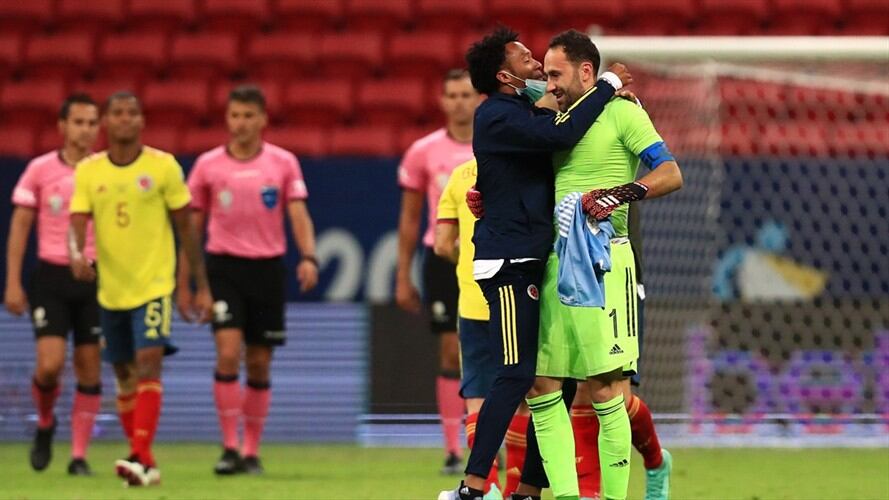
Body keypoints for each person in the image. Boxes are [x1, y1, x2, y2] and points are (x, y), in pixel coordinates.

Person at [440, 26, 630, 500]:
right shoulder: (498, 116)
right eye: (526, 57)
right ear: (506, 74)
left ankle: (527, 489)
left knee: (555, 377)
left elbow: (528, 155)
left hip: (539, 259)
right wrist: (606, 85)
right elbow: (558, 132)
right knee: (518, 374)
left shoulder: (518, 108)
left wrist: (492, 194)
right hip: (509, 265)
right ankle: (471, 486)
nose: (536, 64)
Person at [524, 30, 683, 500]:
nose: (549, 83)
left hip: (605, 258)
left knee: (605, 386)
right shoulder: (547, 115)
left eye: (557, 74)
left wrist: (621, 193)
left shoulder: (622, 112)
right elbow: (513, 93)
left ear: (586, 71)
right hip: (554, 257)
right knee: (542, 382)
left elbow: (670, 172)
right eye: (546, 74)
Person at [69, 91, 212, 487]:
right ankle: (145, 465)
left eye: (133, 113)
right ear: (105, 123)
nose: (125, 119)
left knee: (149, 362)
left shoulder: (163, 167)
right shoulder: (89, 171)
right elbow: (78, 222)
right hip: (111, 290)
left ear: (142, 121)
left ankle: (138, 455)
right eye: (117, 113)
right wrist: (76, 254)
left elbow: (186, 228)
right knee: (124, 374)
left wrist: (196, 284)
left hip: (154, 285)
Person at [177, 84, 318, 475]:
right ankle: (229, 447)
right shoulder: (208, 165)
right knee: (227, 352)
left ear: (262, 119)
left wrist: (308, 255)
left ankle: (252, 450)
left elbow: (298, 213)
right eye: (234, 116)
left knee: (258, 362)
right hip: (223, 267)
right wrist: (186, 282)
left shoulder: (283, 163)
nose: (240, 123)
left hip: (267, 268)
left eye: (248, 116)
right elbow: (191, 228)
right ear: (227, 118)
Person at [4, 93, 101, 476]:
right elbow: (20, 227)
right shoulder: (40, 170)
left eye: (92, 123)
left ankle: (78, 455)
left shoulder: (107, 171)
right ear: (62, 126)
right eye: (78, 122)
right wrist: (12, 281)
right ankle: (45, 423)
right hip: (52, 276)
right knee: (50, 366)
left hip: (95, 277)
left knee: (90, 368)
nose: (86, 130)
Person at [396, 69, 481, 473]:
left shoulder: (493, 147)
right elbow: (411, 219)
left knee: (491, 353)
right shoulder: (423, 152)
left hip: (489, 258)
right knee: (450, 350)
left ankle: (491, 437)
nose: (459, 102)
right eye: (452, 95)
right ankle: (453, 447)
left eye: (466, 94)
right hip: (443, 258)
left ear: (477, 99)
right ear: (443, 101)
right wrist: (402, 275)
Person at [570, 203, 672, 500]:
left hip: (617, 273)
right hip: (570, 270)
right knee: (582, 388)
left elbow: (664, 174)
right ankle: (589, 492)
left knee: (615, 396)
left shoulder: (618, 159)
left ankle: (656, 462)